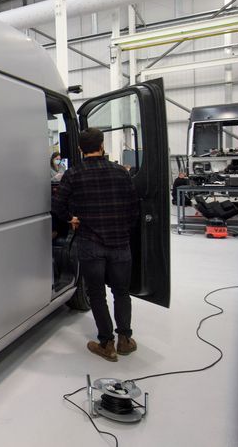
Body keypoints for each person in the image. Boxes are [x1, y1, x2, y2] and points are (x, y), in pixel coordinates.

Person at [52, 128, 139, 362]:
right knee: (121, 292)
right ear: (102, 145)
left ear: (80, 149)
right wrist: (122, 226)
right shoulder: (121, 172)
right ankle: (125, 340)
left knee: (97, 294)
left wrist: (72, 219)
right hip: (120, 242)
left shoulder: (73, 174)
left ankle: (106, 344)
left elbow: (58, 205)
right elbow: (133, 210)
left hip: (90, 243)